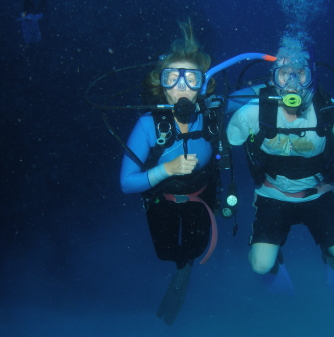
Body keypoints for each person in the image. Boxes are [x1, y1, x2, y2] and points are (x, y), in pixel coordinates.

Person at [226, 36, 334, 287]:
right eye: (285, 74)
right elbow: (228, 147)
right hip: (272, 195)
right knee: (260, 265)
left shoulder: (330, 110)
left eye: (300, 74)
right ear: (273, 77)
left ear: (312, 76)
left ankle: (330, 255)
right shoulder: (251, 111)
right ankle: (272, 260)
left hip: (319, 195)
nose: (292, 84)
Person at [120, 19, 219, 325]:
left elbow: (255, 97)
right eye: (171, 78)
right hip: (162, 197)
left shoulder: (213, 112)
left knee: (195, 248)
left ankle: (186, 267)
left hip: (202, 193)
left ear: (202, 83)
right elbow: (126, 183)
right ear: (159, 85)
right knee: (165, 253)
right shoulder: (147, 126)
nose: (181, 88)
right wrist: (166, 169)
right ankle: (181, 265)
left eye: (190, 78)